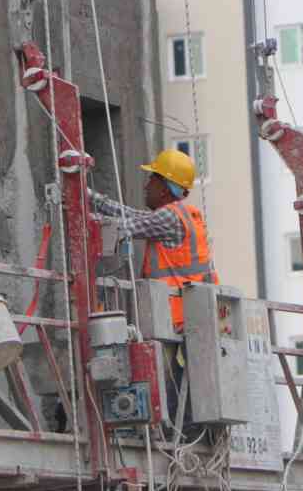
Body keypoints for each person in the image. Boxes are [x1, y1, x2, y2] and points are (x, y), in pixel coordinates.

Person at [91, 149, 217, 432]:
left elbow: (128, 225)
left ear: (165, 186)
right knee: (182, 384)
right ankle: (182, 434)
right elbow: (133, 215)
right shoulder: (181, 216)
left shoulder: (170, 219)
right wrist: (93, 199)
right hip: (190, 320)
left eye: (152, 179)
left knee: (170, 385)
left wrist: (82, 212)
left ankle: (174, 435)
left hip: (175, 320)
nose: (147, 185)